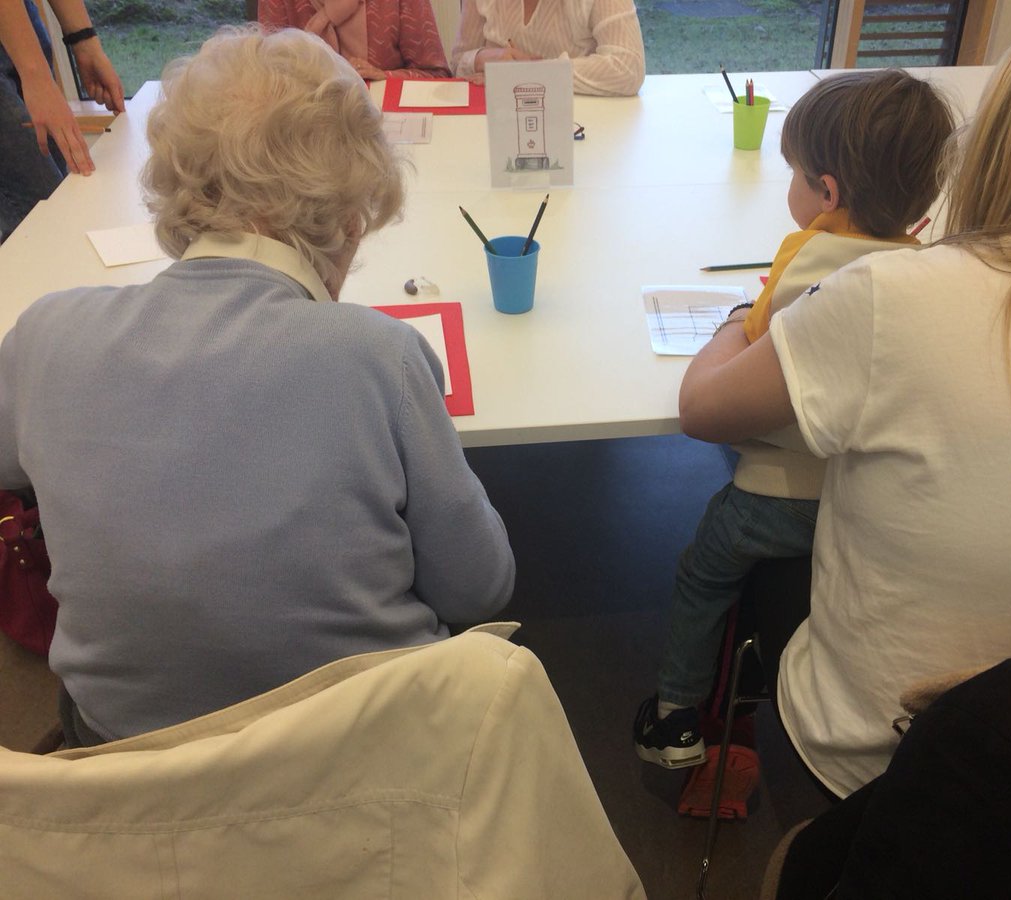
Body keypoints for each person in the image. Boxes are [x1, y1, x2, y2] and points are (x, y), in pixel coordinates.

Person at [674, 0, 1011, 799]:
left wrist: (729, 327)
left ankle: (681, 717)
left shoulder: (896, 298)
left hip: (884, 770)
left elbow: (703, 408)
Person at [0, 25, 515, 746]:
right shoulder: (380, 356)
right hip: (357, 762)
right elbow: (479, 588)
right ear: (346, 217)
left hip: (125, 771)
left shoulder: (48, 334)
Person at [634, 69, 954, 771]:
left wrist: (733, 319)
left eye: (794, 174)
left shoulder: (806, 257)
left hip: (781, 498)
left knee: (703, 572)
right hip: (871, 504)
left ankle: (675, 711)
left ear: (827, 193)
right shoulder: (928, 271)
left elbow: (748, 349)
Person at [0, 0, 123, 241]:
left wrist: (84, 40)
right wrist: (37, 77)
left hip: (18, 18)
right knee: (47, 223)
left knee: (61, 200)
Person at [449, 0, 644, 96]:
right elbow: (458, 63)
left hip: (579, 124)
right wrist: (483, 58)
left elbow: (628, 68)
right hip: (496, 119)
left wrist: (528, 74)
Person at [258, 0, 451, 80]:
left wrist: (384, 76)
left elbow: (436, 75)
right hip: (304, 131)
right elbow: (269, 78)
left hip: (384, 131)